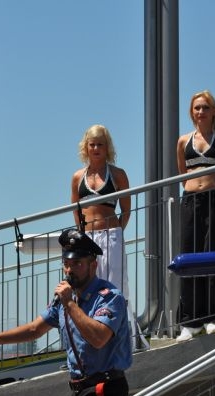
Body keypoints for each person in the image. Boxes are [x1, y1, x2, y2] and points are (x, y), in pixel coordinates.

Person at [0, 228, 132, 396]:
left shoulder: (108, 298)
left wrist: (70, 303)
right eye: (66, 264)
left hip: (103, 389)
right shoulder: (63, 300)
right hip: (79, 390)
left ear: (93, 265)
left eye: (77, 264)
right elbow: (35, 330)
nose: (70, 270)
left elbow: (98, 338)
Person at [70, 125, 146, 349]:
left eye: (100, 144)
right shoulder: (77, 177)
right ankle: (93, 338)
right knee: (89, 286)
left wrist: (117, 231)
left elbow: (127, 209)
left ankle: (125, 338)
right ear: (86, 147)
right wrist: (83, 235)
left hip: (110, 234)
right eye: (92, 144)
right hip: (89, 239)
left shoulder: (118, 175)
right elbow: (75, 209)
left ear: (107, 147)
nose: (96, 148)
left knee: (116, 286)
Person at [175, 90, 215, 341]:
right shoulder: (183, 141)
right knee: (189, 256)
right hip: (191, 202)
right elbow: (182, 174)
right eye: (196, 108)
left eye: (205, 107)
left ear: (214, 111)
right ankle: (190, 321)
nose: (200, 112)